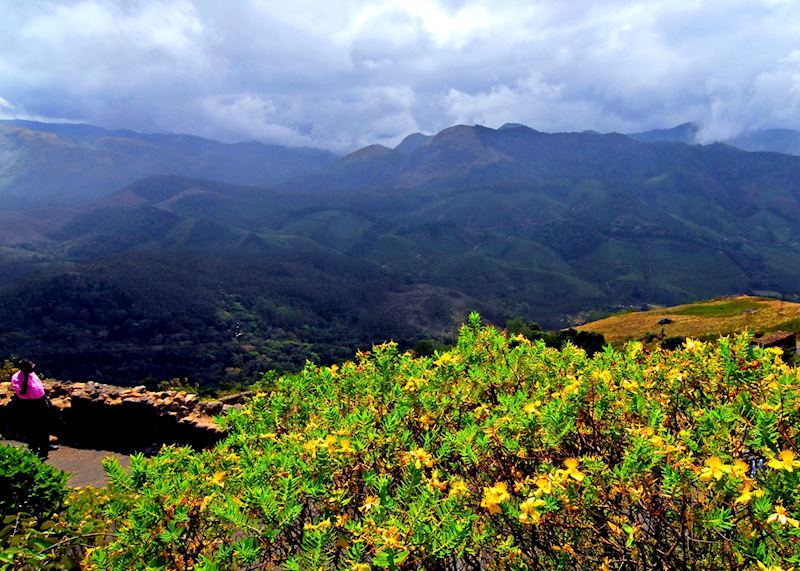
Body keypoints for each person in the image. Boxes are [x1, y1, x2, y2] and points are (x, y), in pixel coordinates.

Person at [9, 359, 52, 459]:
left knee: (44, 425)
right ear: (24, 368)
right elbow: (22, 393)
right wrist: (26, 378)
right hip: (29, 404)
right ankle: (34, 448)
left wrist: (45, 397)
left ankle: (45, 446)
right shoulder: (16, 378)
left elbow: (38, 385)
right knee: (32, 427)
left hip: (41, 401)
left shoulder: (32, 373)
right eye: (31, 367)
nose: (33, 368)